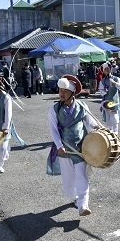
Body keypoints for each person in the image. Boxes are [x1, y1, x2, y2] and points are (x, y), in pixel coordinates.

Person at [48, 75, 98, 216]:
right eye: (60, 90)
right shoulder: (54, 109)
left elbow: (90, 124)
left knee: (81, 175)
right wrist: (59, 145)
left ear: (72, 92)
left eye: (65, 90)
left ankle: (83, 204)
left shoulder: (83, 106)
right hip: (64, 148)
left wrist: (98, 133)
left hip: (81, 148)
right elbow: (53, 129)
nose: (61, 93)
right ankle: (75, 197)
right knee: (68, 179)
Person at [99, 61, 120, 133]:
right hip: (106, 102)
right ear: (103, 71)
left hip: (114, 101)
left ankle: (115, 134)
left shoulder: (116, 78)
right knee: (108, 120)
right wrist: (105, 91)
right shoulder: (102, 81)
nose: (107, 70)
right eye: (105, 69)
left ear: (110, 69)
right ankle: (110, 135)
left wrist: (115, 83)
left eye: (108, 68)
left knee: (115, 119)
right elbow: (101, 92)